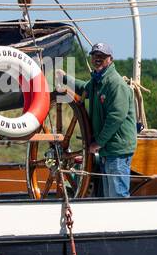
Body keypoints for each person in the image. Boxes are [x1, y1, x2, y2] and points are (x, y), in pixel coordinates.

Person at [59, 42, 138, 198]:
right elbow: (84, 88)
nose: (97, 59)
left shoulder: (115, 84)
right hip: (108, 150)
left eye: (102, 56)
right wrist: (65, 78)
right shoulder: (97, 81)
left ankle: (122, 222)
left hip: (117, 150)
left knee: (118, 196)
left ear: (110, 59)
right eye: (95, 56)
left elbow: (115, 117)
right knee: (109, 198)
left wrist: (98, 143)